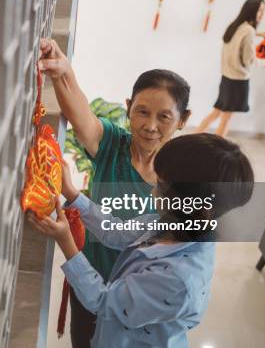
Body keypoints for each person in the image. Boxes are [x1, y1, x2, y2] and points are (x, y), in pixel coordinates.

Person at [27, 133, 254, 347]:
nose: (154, 192)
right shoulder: (174, 220)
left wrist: (66, 240)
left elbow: (103, 301)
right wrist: (73, 195)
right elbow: (117, 233)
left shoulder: (179, 279)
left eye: (164, 188)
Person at [38, 38, 191, 347]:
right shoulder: (112, 145)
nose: (150, 126)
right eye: (142, 112)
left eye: (164, 116)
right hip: (89, 279)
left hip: (137, 302)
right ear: (128, 108)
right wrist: (62, 72)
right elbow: (81, 113)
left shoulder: (183, 180)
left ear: (183, 120)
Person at [196, 0, 265, 137]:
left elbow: (240, 38)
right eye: (260, 10)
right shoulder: (249, 31)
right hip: (237, 80)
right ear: (251, 10)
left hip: (227, 77)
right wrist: (264, 62)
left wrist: (257, 34)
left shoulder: (236, 26)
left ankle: (192, 137)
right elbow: (249, 59)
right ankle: (218, 148)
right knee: (226, 117)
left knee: (217, 112)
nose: (262, 14)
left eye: (263, 11)